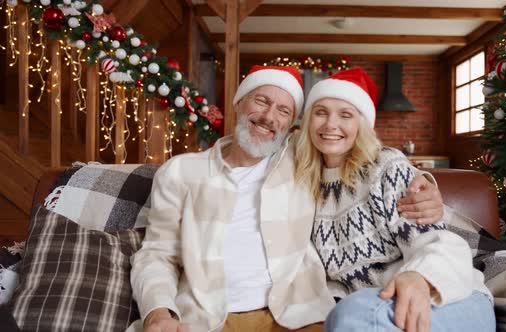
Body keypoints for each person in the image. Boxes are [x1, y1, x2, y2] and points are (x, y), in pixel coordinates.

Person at [129, 65, 445, 332]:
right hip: (205, 316)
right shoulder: (180, 172)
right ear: (238, 104)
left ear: (292, 124)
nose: (269, 117)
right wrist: (158, 311)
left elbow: (365, 156)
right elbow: (157, 255)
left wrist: (422, 183)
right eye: (261, 101)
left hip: (300, 314)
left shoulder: (303, 159)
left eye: (283, 110)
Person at [294, 68, 496, 332]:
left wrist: (419, 275)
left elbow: (435, 241)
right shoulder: (302, 181)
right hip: (372, 306)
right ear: (307, 120)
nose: (331, 124)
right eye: (320, 112)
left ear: (361, 124)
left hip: (444, 297)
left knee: (354, 317)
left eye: (346, 115)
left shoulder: (386, 169)